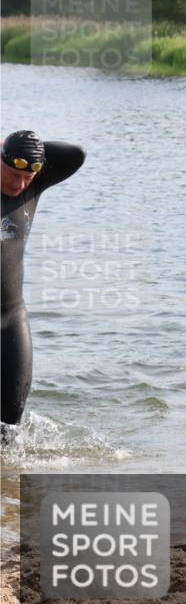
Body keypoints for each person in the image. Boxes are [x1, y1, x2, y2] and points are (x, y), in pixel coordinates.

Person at [1, 131, 86, 439]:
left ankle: (7, 481)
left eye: (27, 177)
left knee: (11, 418)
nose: (19, 184)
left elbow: (75, 153)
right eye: (13, 174)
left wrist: (24, 151)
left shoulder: (34, 187)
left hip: (9, 317)